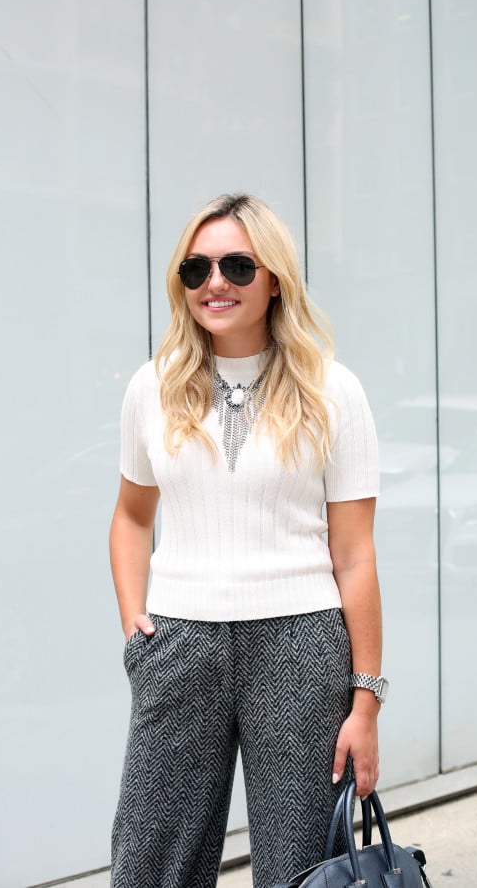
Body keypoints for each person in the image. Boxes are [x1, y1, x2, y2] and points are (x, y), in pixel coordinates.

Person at [109, 194, 385, 888]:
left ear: (275, 279)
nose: (215, 283)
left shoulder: (333, 391)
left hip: (300, 644)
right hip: (179, 641)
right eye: (195, 269)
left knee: (300, 866)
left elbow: (354, 556)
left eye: (236, 264)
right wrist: (135, 620)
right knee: (150, 862)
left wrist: (366, 700)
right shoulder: (153, 388)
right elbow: (131, 517)